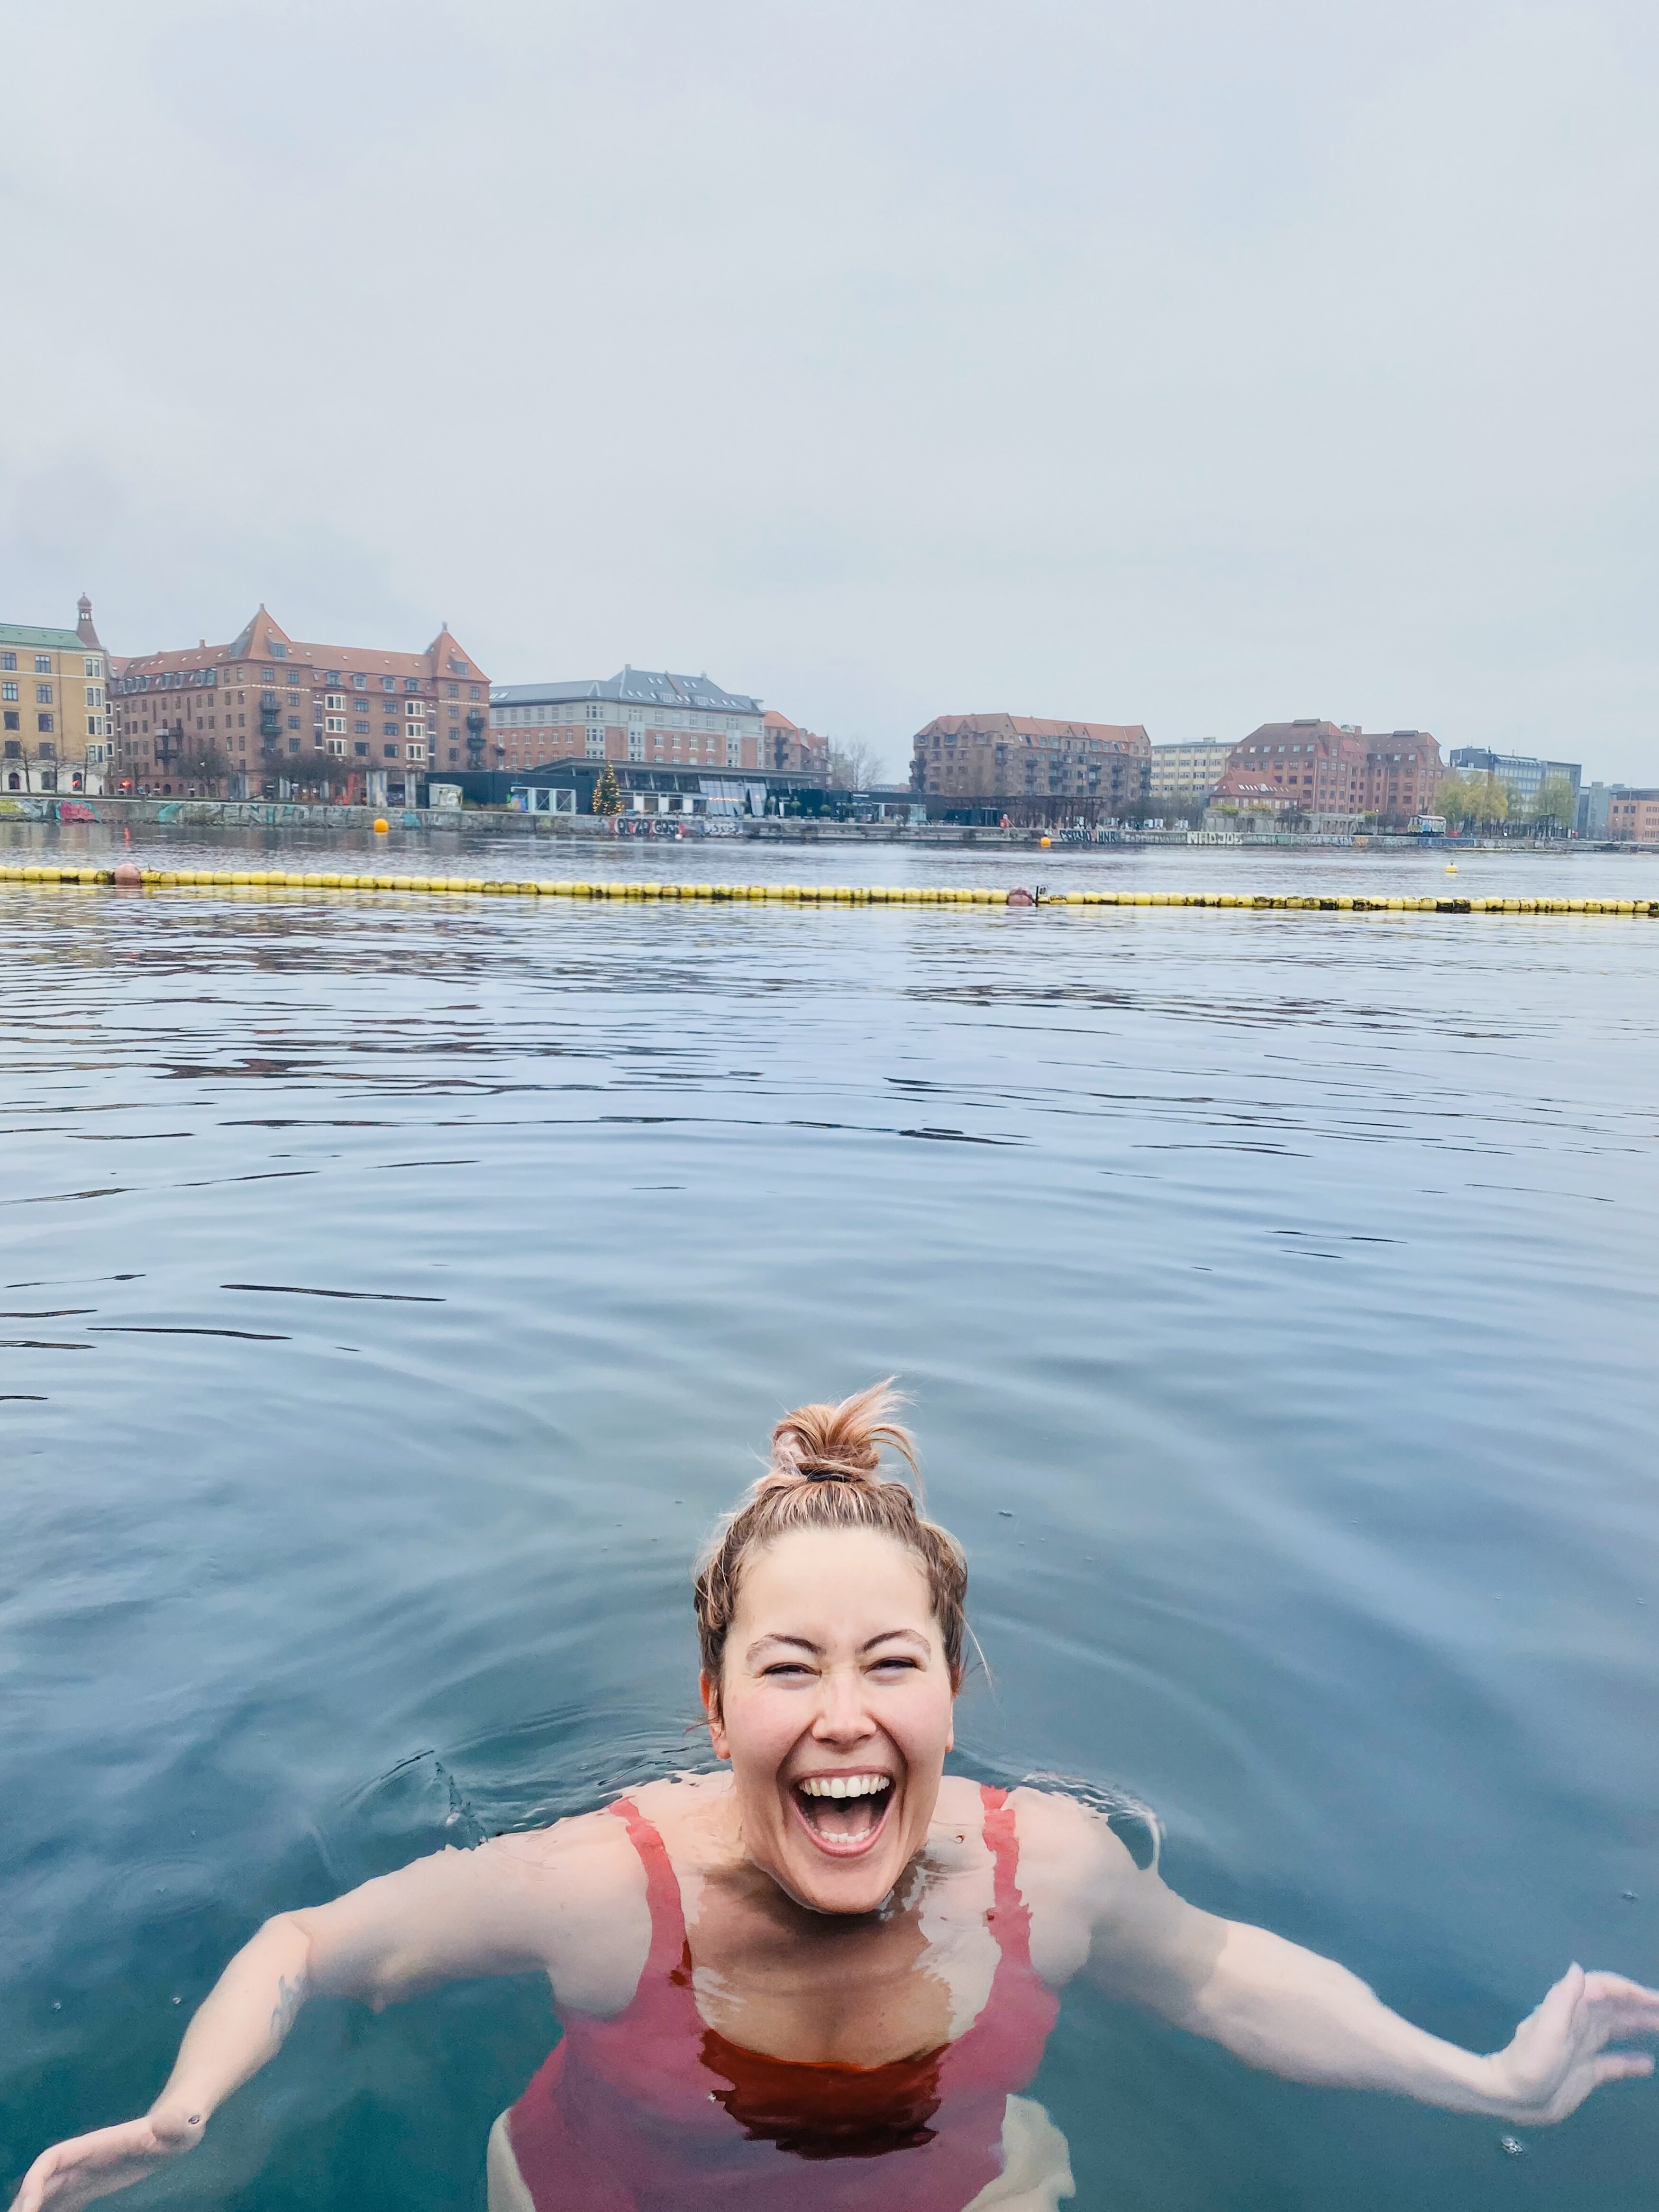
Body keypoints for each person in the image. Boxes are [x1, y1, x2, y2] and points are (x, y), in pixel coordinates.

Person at [12, 1384, 1659, 2212]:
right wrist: (187, 2108)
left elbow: (1224, 1976)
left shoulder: (1049, 1869)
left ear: (955, 1692)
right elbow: (308, 1942)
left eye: (891, 1663)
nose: (842, 1716)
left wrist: (1485, 2081)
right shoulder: (601, 1889)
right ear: (714, 1705)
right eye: (787, 1668)